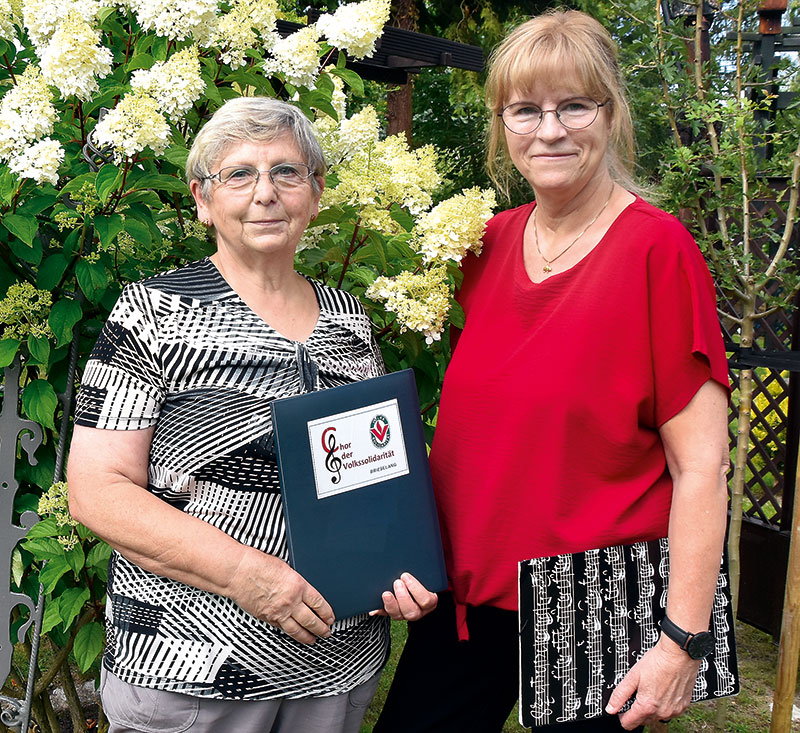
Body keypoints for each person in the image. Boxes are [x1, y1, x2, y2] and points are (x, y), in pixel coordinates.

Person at [375, 9, 729, 733]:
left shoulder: (657, 252)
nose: (550, 129)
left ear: (610, 113)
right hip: (466, 595)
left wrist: (683, 640)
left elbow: (702, 466)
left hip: (595, 599)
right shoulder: (483, 243)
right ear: (501, 123)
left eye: (573, 105)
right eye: (525, 109)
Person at [67, 96, 437, 733]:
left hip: (337, 668)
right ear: (202, 199)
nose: (265, 193)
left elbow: (374, 481)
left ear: (315, 194)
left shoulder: (349, 320)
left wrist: (402, 569)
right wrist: (251, 577)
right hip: (190, 671)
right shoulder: (151, 311)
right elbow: (97, 491)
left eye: (287, 172)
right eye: (239, 174)